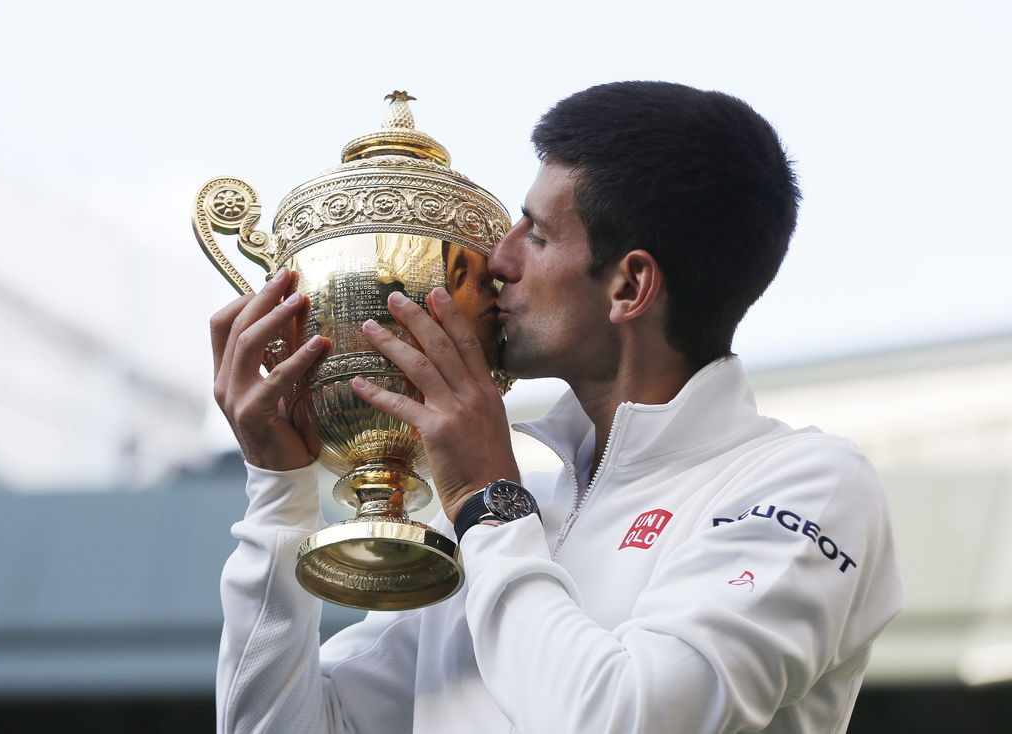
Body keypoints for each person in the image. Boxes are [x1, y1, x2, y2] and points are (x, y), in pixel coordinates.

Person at [210, 81, 902, 733]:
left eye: (536, 235)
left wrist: (488, 501)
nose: (495, 259)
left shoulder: (808, 482)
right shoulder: (511, 521)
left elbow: (624, 718)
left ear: (629, 285)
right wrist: (278, 489)